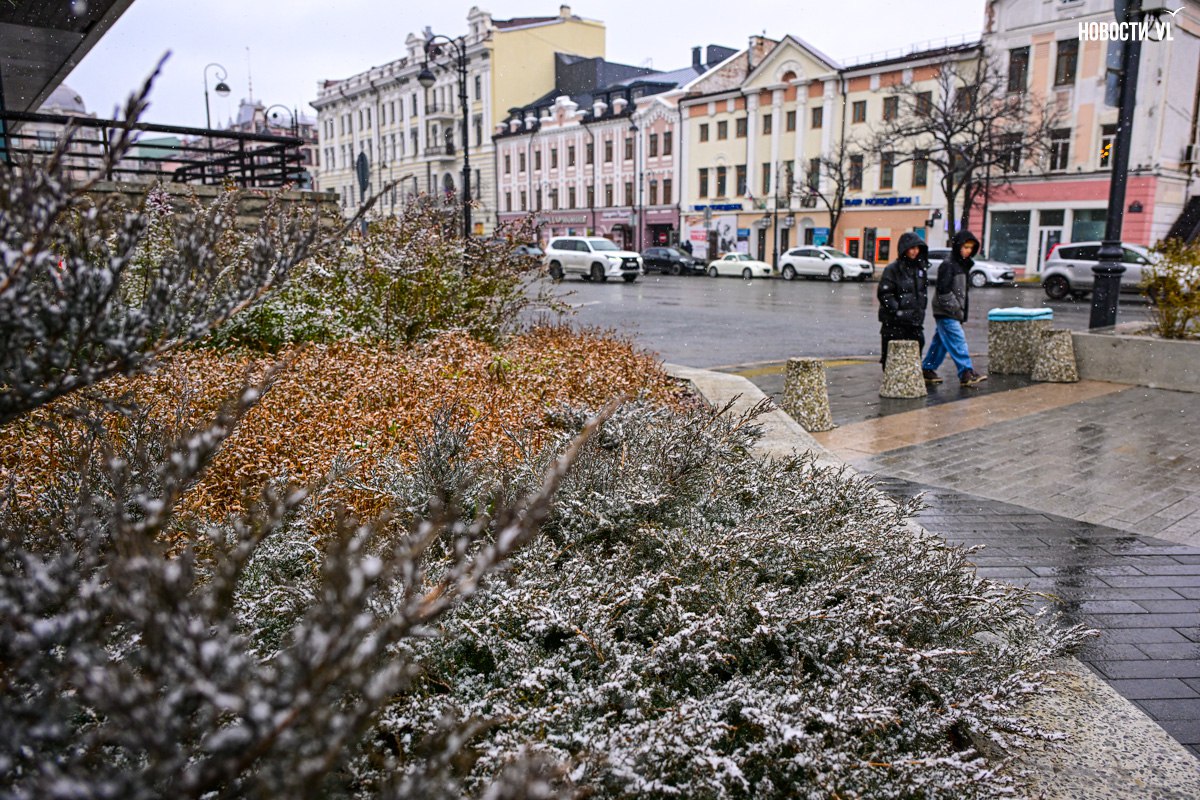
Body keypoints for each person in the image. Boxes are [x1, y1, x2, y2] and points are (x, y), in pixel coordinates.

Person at [922, 230, 987, 386]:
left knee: (941, 342)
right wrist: (956, 309)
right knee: (958, 340)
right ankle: (966, 371)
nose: (968, 251)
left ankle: (927, 368)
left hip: (950, 311)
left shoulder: (961, 265)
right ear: (958, 246)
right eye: (965, 247)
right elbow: (943, 291)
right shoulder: (949, 265)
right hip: (946, 311)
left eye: (971, 248)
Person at [877, 231, 929, 369]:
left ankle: (910, 380)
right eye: (912, 248)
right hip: (894, 323)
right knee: (891, 357)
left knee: (916, 349)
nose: (915, 252)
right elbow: (885, 293)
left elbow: (921, 293)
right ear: (904, 249)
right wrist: (897, 311)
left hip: (913, 321)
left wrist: (918, 312)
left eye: (917, 248)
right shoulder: (892, 269)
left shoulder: (920, 269)